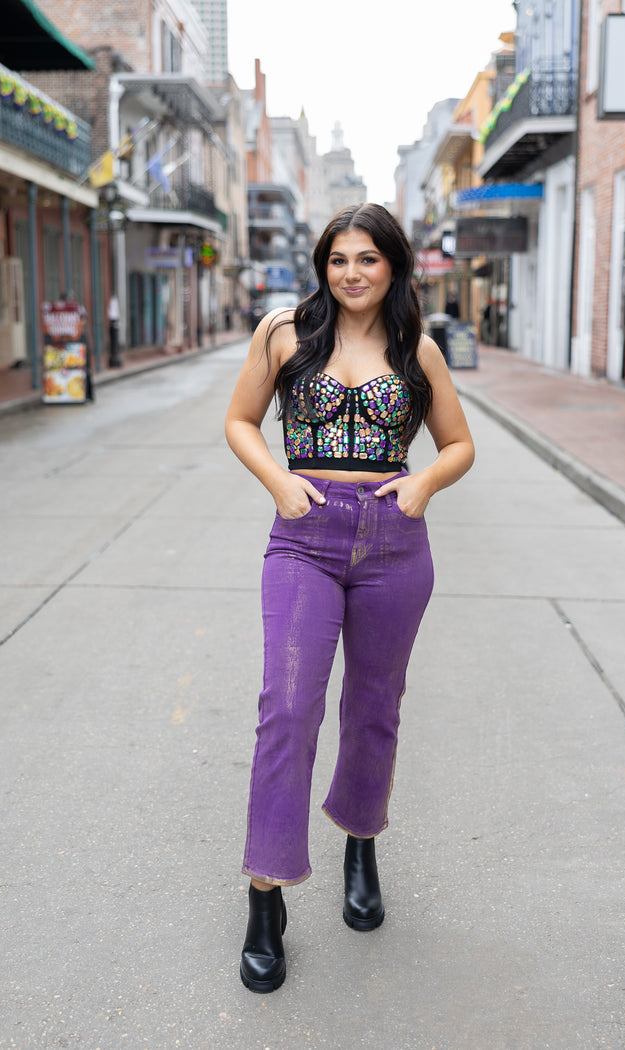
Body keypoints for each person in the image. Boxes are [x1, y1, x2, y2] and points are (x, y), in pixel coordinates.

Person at [224, 203, 475, 994]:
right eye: (339, 260)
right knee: (288, 708)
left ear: (393, 267)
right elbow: (239, 421)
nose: (353, 273)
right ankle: (266, 896)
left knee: (374, 707)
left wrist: (426, 482)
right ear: (321, 267)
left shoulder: (418, 349)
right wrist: (279, 481)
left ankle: (360, 840)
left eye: (368, 259)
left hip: (396, 543)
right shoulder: (283, 333)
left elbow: (460, 443)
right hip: (304, 537)